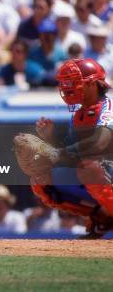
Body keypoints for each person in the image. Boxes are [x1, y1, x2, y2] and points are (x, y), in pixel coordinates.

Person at [32, 58, 113, 238]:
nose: (68, 87)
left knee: (90, 168)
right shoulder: (80, 115)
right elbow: (71, 154)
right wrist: (50, 139)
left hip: (104, 171)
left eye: (75, 83)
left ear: (93, 84)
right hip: (101, 175)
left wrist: (59, 152)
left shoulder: (109, 107)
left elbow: (99, 143)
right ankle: (102, 218)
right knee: (41, 178)